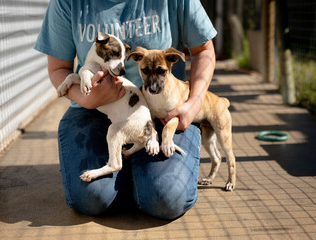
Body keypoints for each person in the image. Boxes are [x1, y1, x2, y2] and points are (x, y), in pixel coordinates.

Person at [35, 0, 216, 220]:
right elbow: (58, 68)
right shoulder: (68, 3)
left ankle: (137, 176)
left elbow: (204, 50)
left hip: (163, 113)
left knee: (166, 199)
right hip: (92, 109)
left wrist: (194, 103)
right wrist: (87, 99)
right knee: (91, 198)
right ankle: (130, 174)